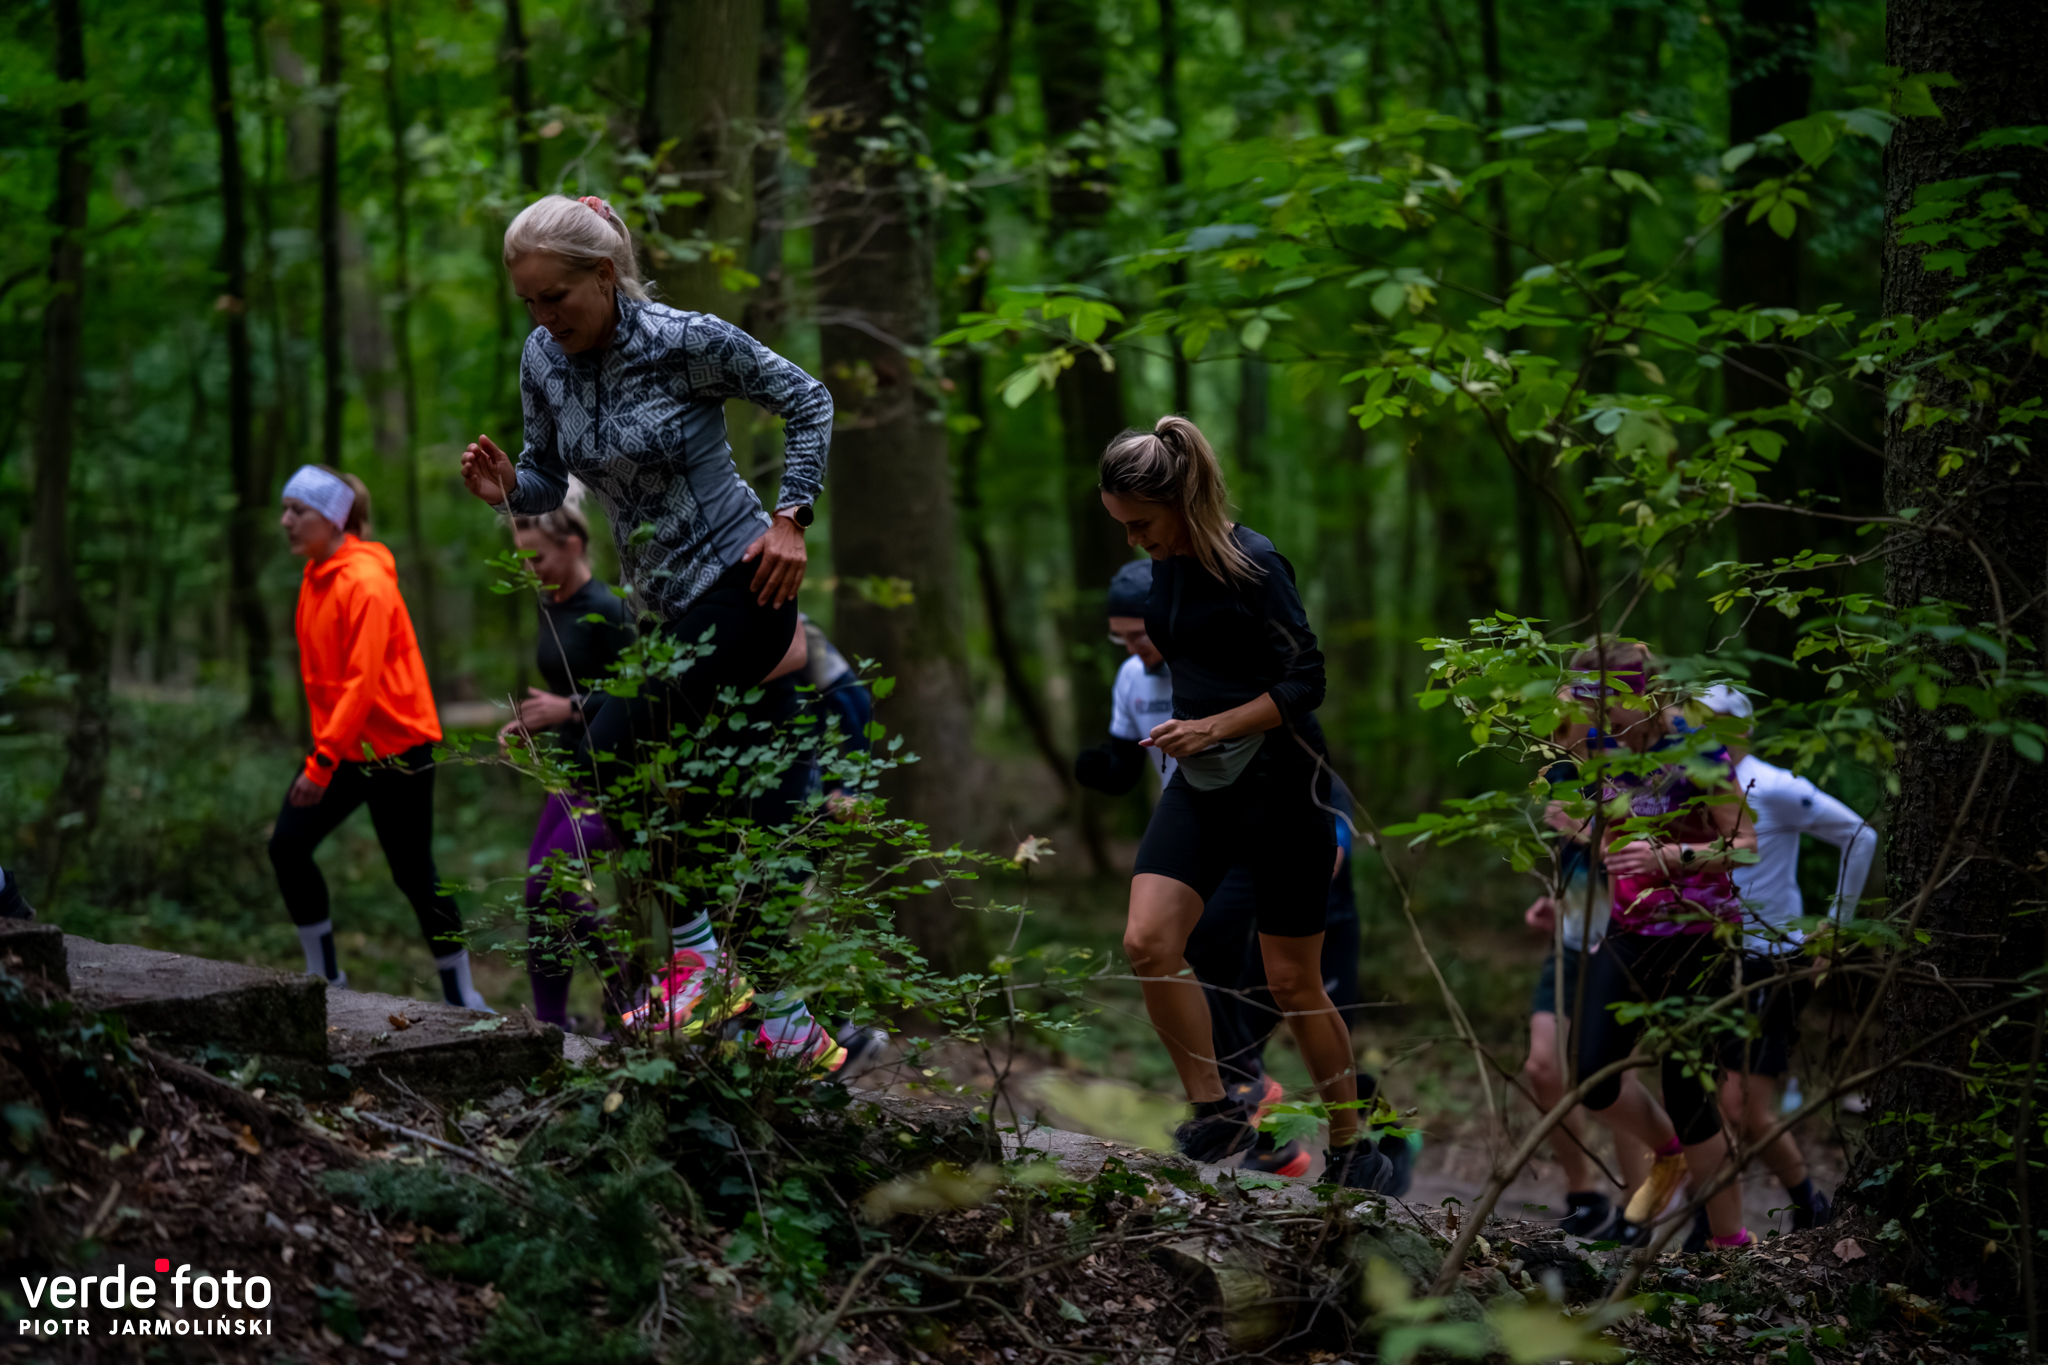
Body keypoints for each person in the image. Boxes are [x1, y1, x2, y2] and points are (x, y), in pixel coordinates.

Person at [460, 193, 845, 1065]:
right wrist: (504, 493)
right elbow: (543, 474)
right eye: (527, 300)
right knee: (691, 792)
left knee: (608, 737)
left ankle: (700, 970)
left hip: (746, 581)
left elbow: (810, 400)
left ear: (603, 275)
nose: (542, 316)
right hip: (664, 609)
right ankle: (787, 1024)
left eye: (555, 296)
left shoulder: (685, 340)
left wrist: (792, 517)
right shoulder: (542, 360)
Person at [1097, 416, 1390, 1190]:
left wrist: (1215, 725)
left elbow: (1306, 682)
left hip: (1282, 781)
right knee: (1148, 942)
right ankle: (1217, 1108)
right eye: (1121, 525)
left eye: (1140, 524)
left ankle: (1354, 1144)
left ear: (1181, 500)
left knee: (1294, 979)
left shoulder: (1255, 564)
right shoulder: (1164, 563)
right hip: (1202, 780)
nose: (1133, 541)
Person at [269, 465, 486, 1010]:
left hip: (397, 751)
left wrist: (319, 764)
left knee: (414, 874)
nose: (285, 521)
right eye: (285, 510)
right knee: (288, 847)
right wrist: (326, 753)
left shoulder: (364, 582)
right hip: (343, 745)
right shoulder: (317, 576)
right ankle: (324, 983)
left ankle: (462, 997)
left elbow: (362, 683)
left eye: (299, 511)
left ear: (335, 518)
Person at [1562, 640, 1757, 1248]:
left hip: (1702, 936)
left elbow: (1746, 844)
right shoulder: (1592, 744)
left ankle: (1731, 1247)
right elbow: (1594, 811)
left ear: (1638, 694)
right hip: (1629, 929)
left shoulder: (1697, 748)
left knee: (1691, 1091)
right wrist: (1586, 830)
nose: (1595, 718)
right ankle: (1666, 1155)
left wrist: (1676, 855)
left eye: (1604, 703)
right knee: (1590, 1072)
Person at [1701, 683, 1874, 1232]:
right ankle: (1809, 1206)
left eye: (1720, 722)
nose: (1708, 733)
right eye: (1697, 721)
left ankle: (1707, 1233)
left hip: (1771, 961)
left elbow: (1859, 836)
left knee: (1731, 1108)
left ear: (1744, 729)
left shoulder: (1774, 787)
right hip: (1713, 957)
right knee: (1747, 1112)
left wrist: (1834, 928)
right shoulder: (1692, 788)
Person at [499, 507, 637, 1030]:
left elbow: (641, 692)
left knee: (549, 884)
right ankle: (552, 1024)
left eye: (537, 555)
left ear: (574, 545)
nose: (529, 566)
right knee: (539, 893)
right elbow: (563, 684)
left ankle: (626, 990)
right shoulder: (548, 603)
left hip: (617, 774)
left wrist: (571, 708)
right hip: (568, 770)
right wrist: (536, 721)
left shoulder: (609, 608)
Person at [1519, 774, 1652, 1238]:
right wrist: (1557, 905)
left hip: (1624, 943)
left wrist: (1582, 826)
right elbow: (1575, 863)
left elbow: (1645, 852)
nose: (1556, 735)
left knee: (1616, 1076)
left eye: (1563, 724)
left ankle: (1639, 1211)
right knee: (1542, 1067)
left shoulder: (1640, 762)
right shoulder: (1560, 772)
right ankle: (1585, 1197)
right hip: (1571, 942)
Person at [796, 614, 874, 810]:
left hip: (804, 799)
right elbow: (856, 702)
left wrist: (850, 790)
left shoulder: (799, 634)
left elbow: (854, 702)